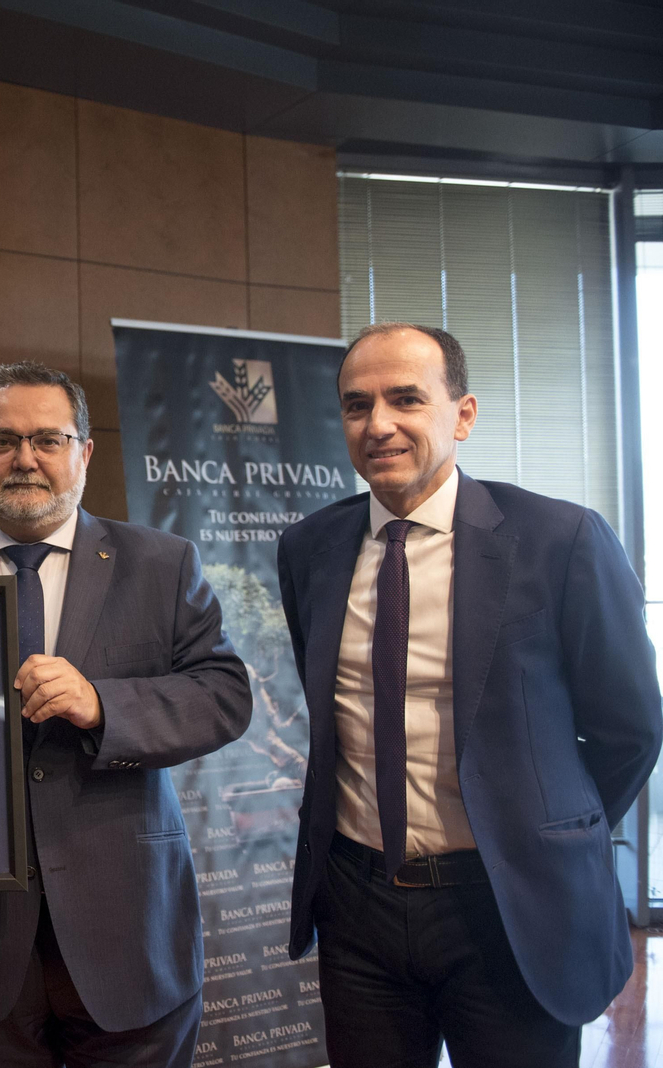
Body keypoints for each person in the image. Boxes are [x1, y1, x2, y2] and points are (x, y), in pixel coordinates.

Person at [278, 322, 663, 1066]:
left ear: (463, 414)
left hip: (507, 907)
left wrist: (545, 835)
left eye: (406, 399)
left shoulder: (561, 539)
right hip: (358, 908)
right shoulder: (310, 549)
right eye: (357, 405)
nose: (379, 423)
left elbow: (631, 730)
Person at [0, 361, 252, 1066]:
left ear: (84, 452)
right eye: (2, 441)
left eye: (48, 439)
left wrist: (104, 704)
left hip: (129, 932)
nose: (24, 459)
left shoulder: (161, 563)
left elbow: (224, 696)